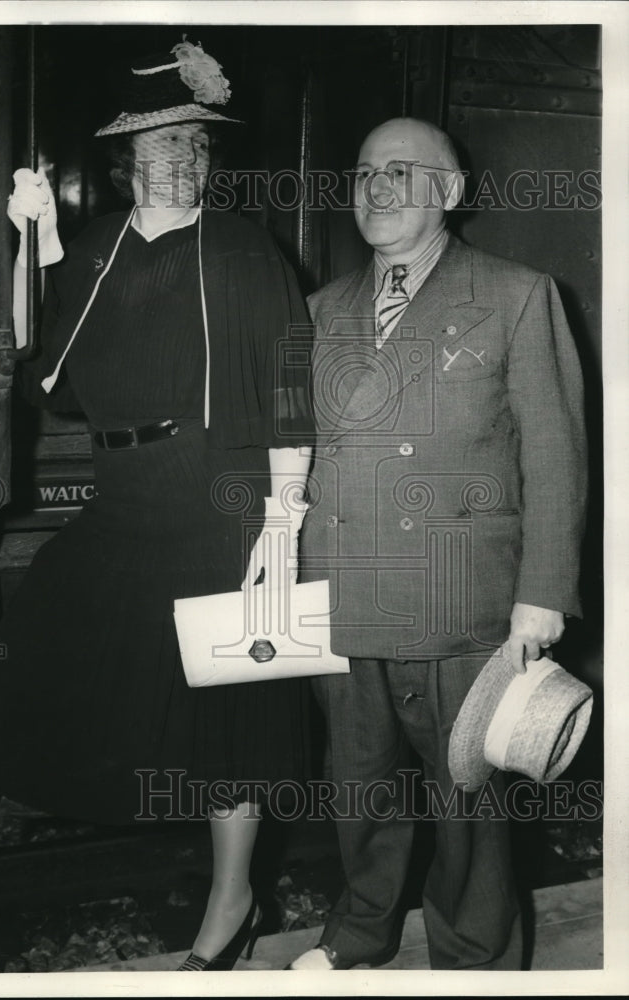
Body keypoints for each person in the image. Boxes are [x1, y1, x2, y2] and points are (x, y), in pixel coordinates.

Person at [0, 40, 314, 971]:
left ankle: (232, 899)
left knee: (229, 712)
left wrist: (282, 516)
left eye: (194, 143)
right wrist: (28, 244)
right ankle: (206, 864)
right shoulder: (98, 251)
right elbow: (43, 369)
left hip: (219, 492)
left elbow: (290, 383)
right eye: (160, 143)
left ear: (207, 158)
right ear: (129, 161)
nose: (181, 157)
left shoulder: (247, 252)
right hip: (127, 493)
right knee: (54, 610)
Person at [289, 117, 587, 970]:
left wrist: (544, 594)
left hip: (463, 598)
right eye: (364, 172)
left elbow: (557, 455)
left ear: (450, 194)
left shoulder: (516, 292)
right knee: (358, 786)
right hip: (342, 590)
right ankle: (357, 933)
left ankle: (475, 959)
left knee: (468, 799)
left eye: (401, 171)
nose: (376, 188)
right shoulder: (321, 308)